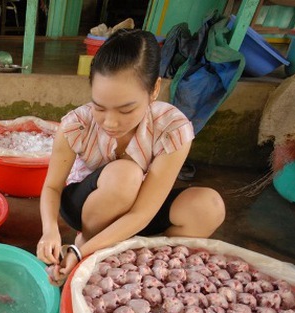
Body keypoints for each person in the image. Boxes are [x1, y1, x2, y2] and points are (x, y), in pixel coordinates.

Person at [37, 29, 225, 285]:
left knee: (208, 206)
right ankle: (87, 242)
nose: (111, 122)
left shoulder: (173, 129)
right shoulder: (76, 125)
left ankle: (149, 266)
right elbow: (51, 186)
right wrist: (50, 231)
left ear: (155, 89)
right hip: (85, 204)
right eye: (99, 107)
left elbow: (143, 213)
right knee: (125, 174)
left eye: (127, 109)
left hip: (139, 210)